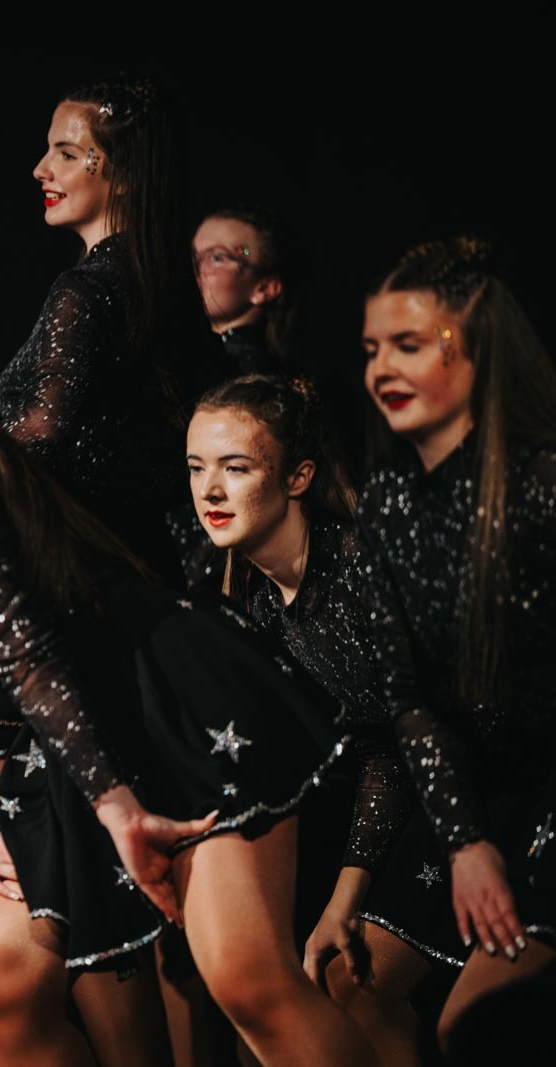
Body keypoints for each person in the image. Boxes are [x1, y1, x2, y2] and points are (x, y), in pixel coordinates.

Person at [0, 255, 373, 1066]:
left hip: (155, 688)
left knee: (247, 982)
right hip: (74, 721)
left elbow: (24, 647)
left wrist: (116, 805)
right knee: (4, 983)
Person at [187, 374, 457, 1062]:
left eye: (235, 468)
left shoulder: (360, 566)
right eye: (195, 467)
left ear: (298, 476)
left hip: (473, 787)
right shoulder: (250, 600)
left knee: (352, 980)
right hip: (388, 799)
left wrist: (345, 897)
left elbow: (403, 743)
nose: (209, 490)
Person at [354, 238, 556, 1057]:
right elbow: (407, 696)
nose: (382, 369)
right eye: (371, 349)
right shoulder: (386, 501)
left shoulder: (542, 486)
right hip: (478, 792)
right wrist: (466, 841)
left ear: (478, 353)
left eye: (408, 345)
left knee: (473, 1024)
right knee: (353, 982)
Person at [0, 75, 225, 584]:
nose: (40, 169)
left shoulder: (87, 289)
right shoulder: (158, 287)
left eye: (67, 153)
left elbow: (42, 431)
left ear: (124, 176)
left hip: (89, 571)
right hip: (148, 564)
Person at [192, 206, 296, 373]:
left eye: (217, 258)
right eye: (193, 256)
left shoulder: (244, 371)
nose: (197, 268)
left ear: (264, 288)